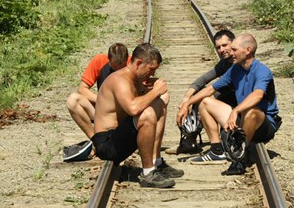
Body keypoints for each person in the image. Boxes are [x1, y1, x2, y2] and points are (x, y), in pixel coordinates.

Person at [177, 33, 280, 176]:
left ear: (248, 50)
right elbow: (210, 89)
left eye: (234, 49)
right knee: (205, 102)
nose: (231, 53)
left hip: (263, 124)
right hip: (241, 119)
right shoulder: (235, 69)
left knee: (251, 112)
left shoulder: (262, 70)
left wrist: (235, 111)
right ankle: (217, 150)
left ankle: (240, 159)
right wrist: (186, 103)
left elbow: (257, 95)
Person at [93, 43, 183, 188]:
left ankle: (156, 162)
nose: (152, 74)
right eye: (151, 69)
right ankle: (148, 174)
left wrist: (154, 89)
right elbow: (133, 109)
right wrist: (155, 91)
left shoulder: (134, 79)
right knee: (147, 114)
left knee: (161, 100)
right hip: (107, 144)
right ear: (139, 63)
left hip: (119, 136)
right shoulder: (119, 79)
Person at [167, 29, 236, 155]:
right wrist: (187, 97)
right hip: (230, 97)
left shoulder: (238, 64)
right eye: (218, 47)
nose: (221, 50)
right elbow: (203, 79)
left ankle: (197, 142)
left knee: (203, 99)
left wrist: (187, 103)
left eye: (225, 45)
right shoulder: (225, 63)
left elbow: (211, 88)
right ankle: (190, 140)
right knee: (199, 97)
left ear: (234, 43)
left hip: (239, 102)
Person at [63, 43, 130, 162]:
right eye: (114, 69)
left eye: (122, 69)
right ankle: (98, 141)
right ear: (108, 60)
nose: (118, 73)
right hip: (104, 113)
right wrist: (102, 100)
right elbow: (82, 89)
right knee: (73, 100)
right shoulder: (99, 60)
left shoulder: (133, 64)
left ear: (127, 60)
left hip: (125, 112)